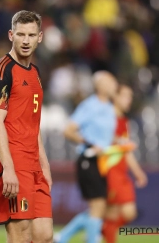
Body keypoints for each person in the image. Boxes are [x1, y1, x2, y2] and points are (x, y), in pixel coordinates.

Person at [0, 10, 53, 243]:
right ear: (11, 35)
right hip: (13, 161)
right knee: (20, 235)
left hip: (34, 164)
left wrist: (43, 164)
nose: (26, 40)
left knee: (44, 235)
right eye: (21, 34)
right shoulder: (2, 71)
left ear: (40, 37)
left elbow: (33, 122)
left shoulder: (35, 72)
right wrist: (8, 169)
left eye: (31, 35)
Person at [54, 71, 118, 243]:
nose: (115, 86)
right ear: (101, 86)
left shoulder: (110, 108)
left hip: (103, 161)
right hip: (88, 160)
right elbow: (68, 131)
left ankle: (62, 238)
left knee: (100, 207)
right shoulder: (90, 105)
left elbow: (106, 138)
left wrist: (119, 142)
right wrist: (89, 143)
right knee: (97, 205)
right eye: (111, 82)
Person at [102, 84, 148, 243]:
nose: (129, 100)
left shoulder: (123, 120)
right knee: (113, 213)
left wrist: (137, 172)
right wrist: (119, 141)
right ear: (115, 97)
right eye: (126, 96)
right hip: (110, 170)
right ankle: (103, 231)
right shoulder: (107, 118)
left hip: (121, 172)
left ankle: (100, 228)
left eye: (130, 97)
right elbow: (99, 140)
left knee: (129, 213)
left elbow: (125, 150)